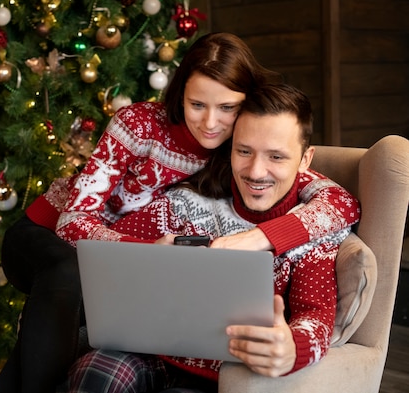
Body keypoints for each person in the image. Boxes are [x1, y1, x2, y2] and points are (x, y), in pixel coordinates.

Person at [0, 33, 360, 393]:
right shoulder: (142, 130)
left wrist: (261, 238)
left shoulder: (243, 149)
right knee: (67, 287)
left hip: (123, 270)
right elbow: (73, 223)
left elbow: (341, 203)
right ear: (179, 94)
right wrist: (151, 250)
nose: (211, 123)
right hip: (56, 232)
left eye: (227, 108)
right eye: (197, 104)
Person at [58, 83, 353, 393]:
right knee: (95, 371)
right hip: (150, 354)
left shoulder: (315, 230)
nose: (255, 171)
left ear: (306, 159)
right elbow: (102, 250)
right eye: (244, 151)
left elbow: (315, 316)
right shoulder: (186, 205)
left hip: (225, 375)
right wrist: (150, 252)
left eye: (276, 157)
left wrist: (293, 349)